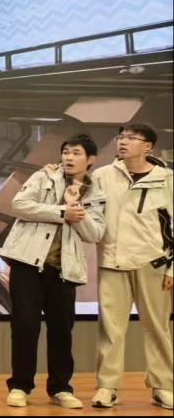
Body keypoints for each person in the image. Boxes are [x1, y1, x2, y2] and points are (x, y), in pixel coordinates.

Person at [1, 133, 106, 409]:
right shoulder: (44, 176)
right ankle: (20, 386)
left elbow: (95, 233)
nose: (69, 157)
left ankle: (60, 388)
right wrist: (61, 211)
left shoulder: (95, 191)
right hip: (28, 263)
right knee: (25, 326)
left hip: (63, 269)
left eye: (76, 153)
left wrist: (76, 210)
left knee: (62, 330)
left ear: (90, 159)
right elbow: (19, 205)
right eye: (66, 152)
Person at [90, 121, 173, 411]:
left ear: (148, 146)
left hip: (153, 263)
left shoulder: (167, 179)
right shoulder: (102, 175)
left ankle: (164, 386)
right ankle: (107, 387)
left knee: (157, 328)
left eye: (131, 138)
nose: (123, 142)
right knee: (111, 330)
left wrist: (172, 269)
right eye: (121, 137)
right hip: (112, 262)